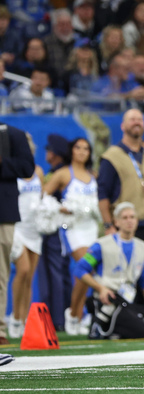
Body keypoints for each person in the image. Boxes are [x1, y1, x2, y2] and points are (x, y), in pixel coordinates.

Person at [75, 202, 144, 339]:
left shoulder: (141, 246)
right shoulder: (101, 245)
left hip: (128, 303)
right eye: (125, 217)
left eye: (132, 217)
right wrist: (101, 289)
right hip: (109, 301)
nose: (129, 221)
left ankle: (114, 331)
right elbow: (80, 269)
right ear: (116, 222)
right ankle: (103, 326)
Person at [97, 109, 144, 307]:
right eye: (132, 119)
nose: (137, 122)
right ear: (123, 125)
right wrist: (108, 225)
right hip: (125, 226)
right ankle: (125, 314)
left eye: (140, 119)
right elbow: (102, 195)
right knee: (126, 274)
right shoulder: (111, 156)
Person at [43, 137, 99, 335]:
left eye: (86, 148)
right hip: (73, 230)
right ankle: (75, 314)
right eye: (78, 147)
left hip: (91, 228)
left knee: (85, 275)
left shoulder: (93, 175)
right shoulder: (63, 173)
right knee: (86, 267)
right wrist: (60, 209)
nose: (82, 151)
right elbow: (44, 195)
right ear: (71, 151)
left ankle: (75, 315)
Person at [0, 122, 35, 344]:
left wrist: (3, 163)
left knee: (0, 272)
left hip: (2, 213)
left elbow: (27, 168)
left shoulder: (12, 134)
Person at [8, 133, 44, 339]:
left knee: (30, 277)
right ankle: (14, 316)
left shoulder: (38, 170)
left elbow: (42, 195)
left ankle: (23, 320)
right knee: (23, 269)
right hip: (17, 226)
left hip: (34, 228)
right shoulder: (11, 171)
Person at [36, 134, 71, 331]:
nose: (47, 153)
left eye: (49, 150)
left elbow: (45, 198)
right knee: (58, 274)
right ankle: (58, 317)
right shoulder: (56, 172)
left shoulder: (59, 174)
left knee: (55, 274)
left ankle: (57, 319)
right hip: (59, 230)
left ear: (56, 153)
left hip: (56, 230)